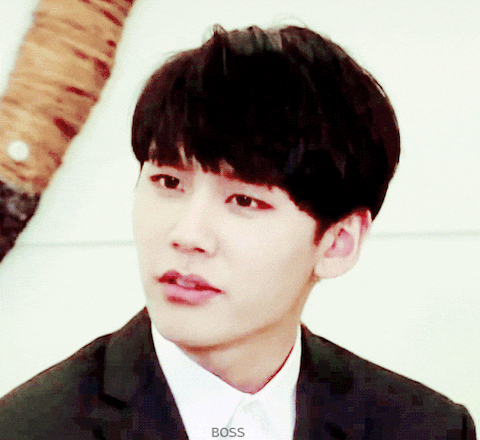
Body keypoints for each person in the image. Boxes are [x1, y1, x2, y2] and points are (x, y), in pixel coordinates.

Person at [0, 25, 476, 440]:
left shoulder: (426, 428)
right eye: (169, 182)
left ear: (337, 243)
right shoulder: (27, 428)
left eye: (245, 200)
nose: (188, 235)